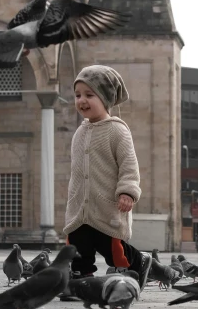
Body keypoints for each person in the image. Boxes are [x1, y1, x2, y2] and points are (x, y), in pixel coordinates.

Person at [63, 65, 152, 289]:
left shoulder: (117, 130)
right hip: (79, 210)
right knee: (77, 247)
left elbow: (129, 165)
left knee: (113, 249)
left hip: (108, 207)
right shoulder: (79, 132)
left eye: (89, 95)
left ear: (105, 98)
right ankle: (81, 282)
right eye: (77, 95)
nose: (82, 100)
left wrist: (127, 192)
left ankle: (138, 262)